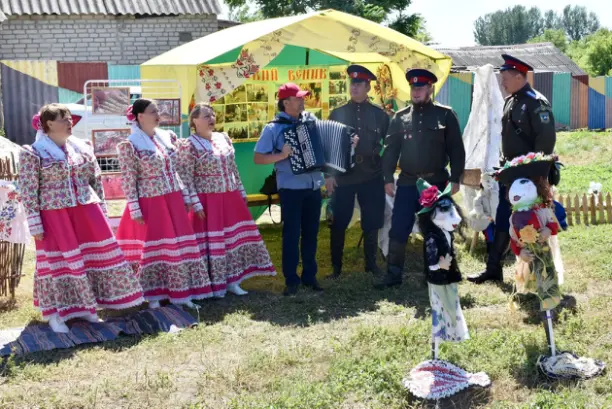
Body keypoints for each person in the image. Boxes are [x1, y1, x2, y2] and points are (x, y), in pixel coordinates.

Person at [18, 104, 144, 333]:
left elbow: (95, 180)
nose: (70, 122)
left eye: (70, 118)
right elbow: (27, 190)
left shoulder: (81, 148)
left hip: (86, 209)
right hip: (55, 214)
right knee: (58, 263)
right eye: (64, 119)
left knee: (91, 257)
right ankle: (55, 314)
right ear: (48, 124)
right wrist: (35, 222)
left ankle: (87, 307)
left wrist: (102, 210)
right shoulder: (33, 153)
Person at [115, 98, 213, 307]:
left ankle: (181, 292)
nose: (158, 115)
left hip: (172, 198)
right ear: (140, 116)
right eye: (153, 111)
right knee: (156, 248)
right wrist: (134, 208)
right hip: (151, 201)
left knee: (178, 246)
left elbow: (177, 170)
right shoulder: (130, 144)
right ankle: (154, 294)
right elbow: (129, 179)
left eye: (157, 111)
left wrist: (185, 196)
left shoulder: (166, 137)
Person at [468, 54, 556, 284]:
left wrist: (535, 180)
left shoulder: (536, 103)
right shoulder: (511, 101)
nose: (502, 83)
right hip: (511, 175)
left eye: (505, 78)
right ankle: (493, 269)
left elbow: (545, 144)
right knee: (503, 220)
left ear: (519, 76)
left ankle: (542, 278)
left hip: (529, 179)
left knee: (531, 225)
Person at [377, 69, 465, 288]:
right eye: (413, 87)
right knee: (398, 228)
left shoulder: (445, 115)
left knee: (438, 229)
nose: (416, 91)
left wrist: (456, 178)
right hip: (408, 183)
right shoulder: (400, 117)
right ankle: (393, 275)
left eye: (420, 87)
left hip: (436, 184)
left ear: (430, 89)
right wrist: (387, 178)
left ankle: (439, 273)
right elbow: (390, 151)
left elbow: (457, 149)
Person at [176, 103, 276, 297]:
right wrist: (195, 202)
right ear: (195, 121)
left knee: (231, 240)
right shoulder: (189, 145)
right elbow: (186, 177)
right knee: (211, 243)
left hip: (229, 196)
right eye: (206, 116)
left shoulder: (223, 138)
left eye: (212, 115)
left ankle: (233, 281)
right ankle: (211, 283)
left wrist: (241, 191)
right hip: (207, 201)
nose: (211, 118)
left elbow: (233, 168)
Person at [253, 83, 324, 296]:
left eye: (303, 98)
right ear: (286, 103)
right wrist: (282, 155)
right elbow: (258, 158)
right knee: (292, 234)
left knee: (311, 232)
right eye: (298, 98)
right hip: (291, 188)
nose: (303, 101)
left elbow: (323, 146)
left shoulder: (311, 120)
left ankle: (310, 276)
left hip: (313, 185)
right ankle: (291, 279)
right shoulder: (273, 128)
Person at [326, 65, 390, 280]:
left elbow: (390, 146)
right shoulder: (338, 113)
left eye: (359, 84)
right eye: (352, 83)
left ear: (368, 87)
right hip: (344, 176)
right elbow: (328, 147)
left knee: (372, 221)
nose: (354, 87)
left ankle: (371, 265)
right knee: (339, 221)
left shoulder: (379, 115)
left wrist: (386, 175)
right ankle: (336, 267)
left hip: (371, 174)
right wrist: (329, 175)